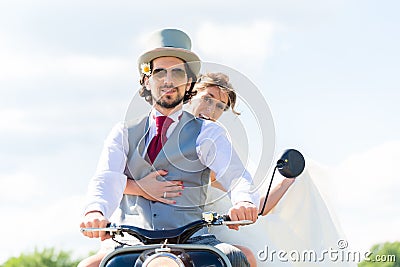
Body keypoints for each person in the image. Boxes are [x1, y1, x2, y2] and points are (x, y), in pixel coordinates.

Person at [79, 29, 259, 267]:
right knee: (89, 266)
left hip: (192, 239)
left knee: (241, 258)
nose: (168, 80)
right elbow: (105, 178)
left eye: (177, 73)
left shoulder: (208, 133)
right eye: (159, 72)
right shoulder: (122, 133)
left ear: (189, 84)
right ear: (146, 80)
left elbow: (236, 175)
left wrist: (244, 202)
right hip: (131, 239)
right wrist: (94, 212)